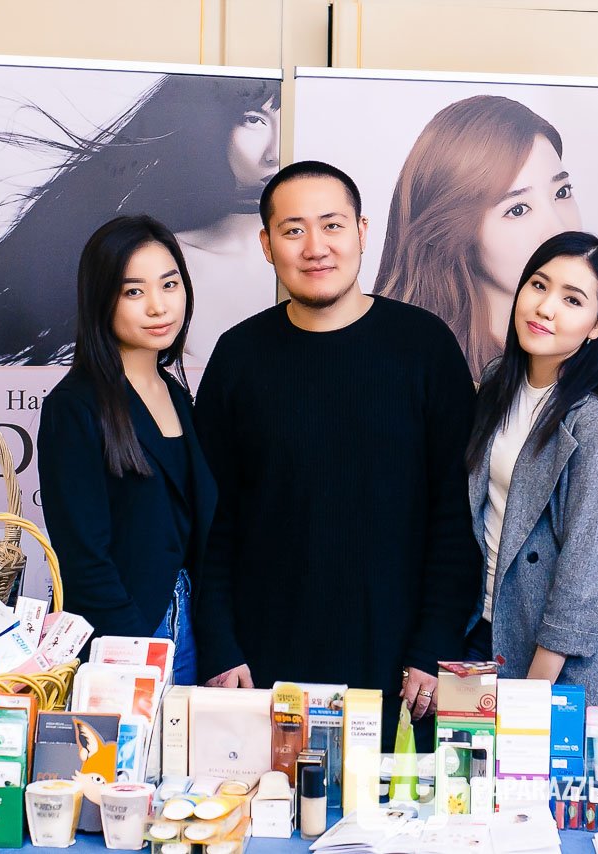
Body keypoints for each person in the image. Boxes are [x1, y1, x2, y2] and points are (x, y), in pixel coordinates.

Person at [193, 161, 480, 745]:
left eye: (332, 225)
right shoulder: (238, 356)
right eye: (293, 230)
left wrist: (435, 643)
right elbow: (213, 521)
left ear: (362, 232)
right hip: (263, 664)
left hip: (403, 666)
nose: (315, 247)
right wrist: (221, 645)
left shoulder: (424, 346)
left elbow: (456, 513)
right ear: (267, 245)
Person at [0, 73, 281, 366]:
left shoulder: (301, 266)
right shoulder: (170, 262)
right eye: (253, 120)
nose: (275, 153)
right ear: (207, 127)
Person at [37, 215, 216, 685]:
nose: (159, 306)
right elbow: (84, 558)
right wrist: (134, 653)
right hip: (125, 637)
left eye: (169, 284)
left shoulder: (176, 395)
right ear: (102, 300)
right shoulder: (74, 406)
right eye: (134, 291)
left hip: (190, 627)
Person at [463, 231, 598, 706]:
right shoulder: (496, 382)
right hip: (483, 634)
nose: (545, 308)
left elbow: (587, 557)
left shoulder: (594, 417)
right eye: (538, 285)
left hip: (560, 660)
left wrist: (537, 685)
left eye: (572, 300)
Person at [374, 95, 582, 380]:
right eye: (518, 209)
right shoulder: (413, 364)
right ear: (454, 230)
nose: (558, 229)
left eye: (561, 192)